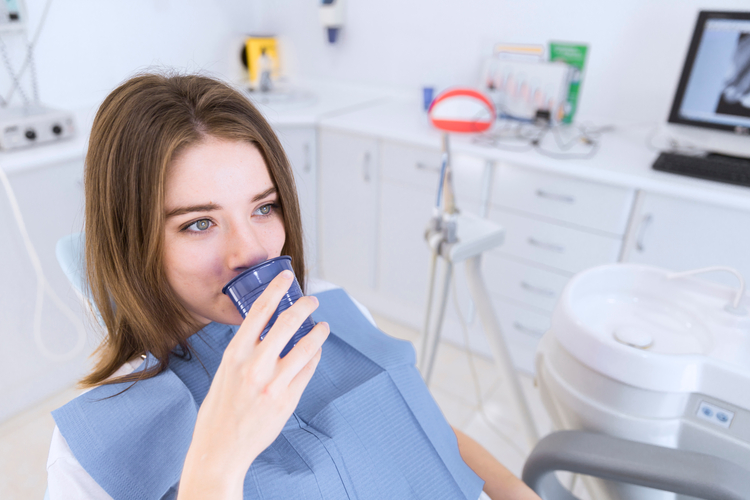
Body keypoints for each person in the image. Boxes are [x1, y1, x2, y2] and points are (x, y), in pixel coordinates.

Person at [46, 72, 541, 500]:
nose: (253, 252)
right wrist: (217, 461)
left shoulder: (329, 305)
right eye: (199, 223)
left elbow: (421, 421)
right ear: (132, 241)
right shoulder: (90, 449)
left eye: (264, 207)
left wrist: (513, 489)